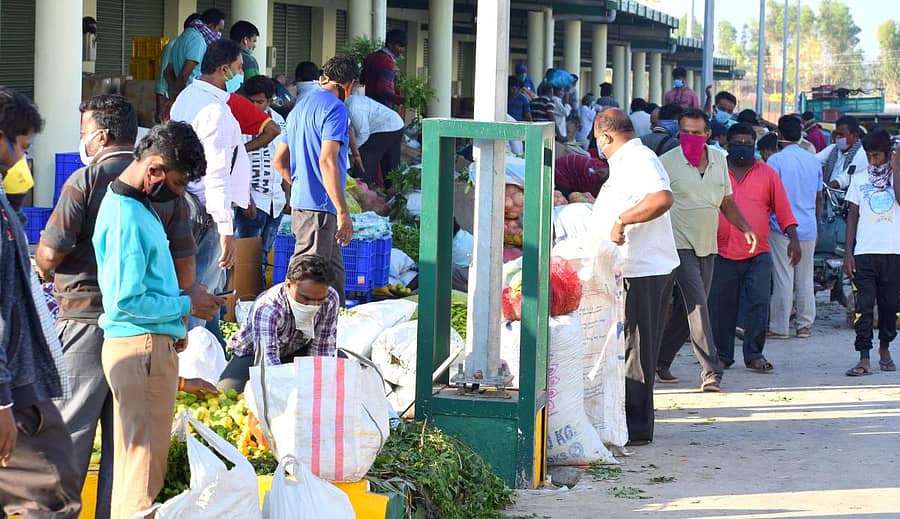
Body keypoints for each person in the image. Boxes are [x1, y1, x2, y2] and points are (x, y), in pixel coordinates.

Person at [34, 95, 195, 519]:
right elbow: (184, 267)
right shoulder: (154, 196)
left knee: (77, 436)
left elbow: (48, 255)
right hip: (137, 327)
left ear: (101, 135)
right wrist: (178, 310)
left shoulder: (87, 182)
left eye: (85, 132)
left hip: (86, 318)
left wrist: (45, 271)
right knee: (128, 451)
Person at [91, 122, 223, 519]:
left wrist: (174, 321)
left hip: (147, 344)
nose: (179, 193)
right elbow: (125, 302)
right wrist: (185, 304)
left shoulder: (137, 207)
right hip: (141, 348)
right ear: (154, 170)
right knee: (142, 478)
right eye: (179, 183)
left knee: (137, 472)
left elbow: (145, 287)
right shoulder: (127, 216)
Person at [0, 87, 81, 518]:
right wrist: (3, 401)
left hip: (18, 378)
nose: (22, 160)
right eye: (21, 145)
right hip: (13, 386)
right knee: (52, 489)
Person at [590, 108, 679, 445]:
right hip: (631, 268)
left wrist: (622, 220)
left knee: (636, 349)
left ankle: (636, 427)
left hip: (644, 270)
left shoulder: (640, 159)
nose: (599, 147)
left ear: (606, 136)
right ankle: (626, 421)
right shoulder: (625, 162)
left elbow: (662, 198)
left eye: (598, 141)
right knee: (628, 347)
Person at [655, 109, 757, 392]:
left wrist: (745, 227)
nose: (691, 137)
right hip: (677, 244)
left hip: (707, 244)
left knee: (687, 311)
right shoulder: (666, 163)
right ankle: (712, 370)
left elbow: (727, 202)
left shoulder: (719, 161)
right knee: (699, 305)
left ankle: (661, 360)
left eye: (697, 133)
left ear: (708, 134)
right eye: (685, 132)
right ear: (679, 133)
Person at [708, 123, 801, 374]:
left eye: (748, 144)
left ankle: (754, 355)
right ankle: (723, 355)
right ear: (727, 144)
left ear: (755, 146)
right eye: (737, 143)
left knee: (759, 303)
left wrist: (793, 238)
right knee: (721, 306)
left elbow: (783, 208)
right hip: (720, 250)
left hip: (758, 251)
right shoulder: (715, 171)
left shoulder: (768, 174)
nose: (742, 147)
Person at [170, 39, 252, 311]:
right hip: (208, 212)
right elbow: (217, 172)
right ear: (224, 70)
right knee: (203, 292)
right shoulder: (214, 110)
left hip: (190, 202)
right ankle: (199, 338)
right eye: (238, 68)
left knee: (195, 288)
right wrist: (225, 229)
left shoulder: (187, 97)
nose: (241, 75)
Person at [274, 55, 358, 306]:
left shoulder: (300, 107)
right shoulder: (336, 109)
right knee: (308, 276)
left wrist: (300, 184)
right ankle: (290, 322)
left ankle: (338, 320)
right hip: (320, 208)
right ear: (349, 84)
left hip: (304, 203)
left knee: (333, 274)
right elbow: (327, 160)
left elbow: (279, 161)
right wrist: (343, 211)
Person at [218, 255, 339, 393]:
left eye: (319, 300)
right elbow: (267, 361)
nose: (312, 305)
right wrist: (285, 392)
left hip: (297, 351)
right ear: (288, 285)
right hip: (253, 353)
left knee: (325, 378)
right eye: (305, 298)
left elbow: (321, 351)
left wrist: (313, 385)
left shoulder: (330, 299)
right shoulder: (268, 307)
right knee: (226, 392)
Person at [843, 128, 900, 376]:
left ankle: (885, 348)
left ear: (888, 153)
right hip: (865, 252)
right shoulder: (859, 180)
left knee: (890, 308)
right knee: (863, 308)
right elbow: (852, 216)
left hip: (894, 252)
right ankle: (864, 357)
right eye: (868, 155)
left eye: (876, 155)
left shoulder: (897, 177)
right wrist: (848, 253)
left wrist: (896, 168)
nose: (872, 160)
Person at [766, 115, 823, 340]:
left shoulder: (775, 161)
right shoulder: (813, 161)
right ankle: (804, 325)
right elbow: (819, 197)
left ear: (779, 134)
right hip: (808, 227)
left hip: (780, 226)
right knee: (805, 277)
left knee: (783, 277)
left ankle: (780, 327)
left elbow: (770, 196)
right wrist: (815, 222)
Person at [235, 76, 289, 290]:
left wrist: (288, 194)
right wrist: (245, 198)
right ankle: (243, 297)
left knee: (264, 254)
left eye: (260, 102)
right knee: (246, 256)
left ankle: (256, 296)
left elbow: (284, 159)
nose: (255, 106)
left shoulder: (279, 121)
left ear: (270, 101)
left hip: (275, 200)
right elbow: (237, 162)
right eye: (251, 101)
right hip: (253, 199)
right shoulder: (239, 122)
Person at [165, 8, 226, 100]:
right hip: (193, 96)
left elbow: (168, 72)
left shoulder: (181, 38)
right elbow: (184, 75)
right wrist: (178, 96)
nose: (219, 34)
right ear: (211, 25)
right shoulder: (198, 40)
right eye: (219, 30)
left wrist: (175, 91)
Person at [347, 91, 405, 187]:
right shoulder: (351, 100)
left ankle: (361, 189)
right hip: (396, 124)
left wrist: (351, 151)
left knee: (365, 157)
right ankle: (393, 190)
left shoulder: (352, 108)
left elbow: (363, 134)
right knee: (391, 165)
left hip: (386, 127)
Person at [155, 13, 199, 123]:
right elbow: (163, 78)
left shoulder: (195, 46)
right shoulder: (173, 45)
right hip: (175, 101)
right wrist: (162, 107)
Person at [360, 29, 406, 109]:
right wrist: (401, 100)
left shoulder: (371, 56)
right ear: (390, 44)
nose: (403, 50)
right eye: (400, 46)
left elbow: (362, 80)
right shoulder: (387, 61)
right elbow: (383, 90)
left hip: (369, 105)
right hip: (382, 107)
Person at [822, 115, 869, 189]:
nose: (837, 137)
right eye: (836, 134)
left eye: (841, 135)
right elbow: (814, 161)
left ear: (855, 136)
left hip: (848, 194)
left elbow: (845, 178)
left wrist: (824, 187)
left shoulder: (862, 153)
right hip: (829, 193)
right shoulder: (833, 148)